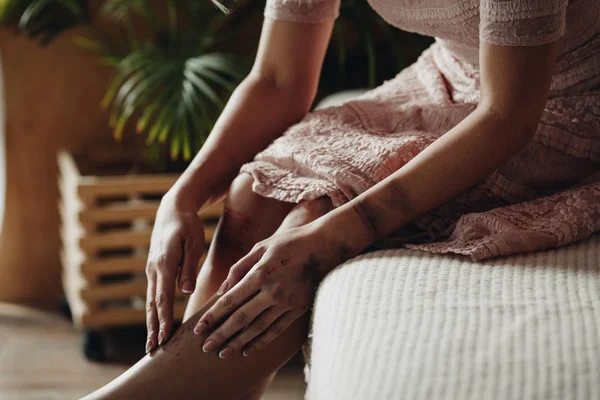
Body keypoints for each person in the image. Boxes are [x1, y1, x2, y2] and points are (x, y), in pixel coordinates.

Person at [84, 0, 600, 398]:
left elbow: (508, 115)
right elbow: (279, 79)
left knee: (317, 214)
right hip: (448, 77)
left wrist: (336, 234)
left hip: (556, 103)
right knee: (251, 195)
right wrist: (184, 196)